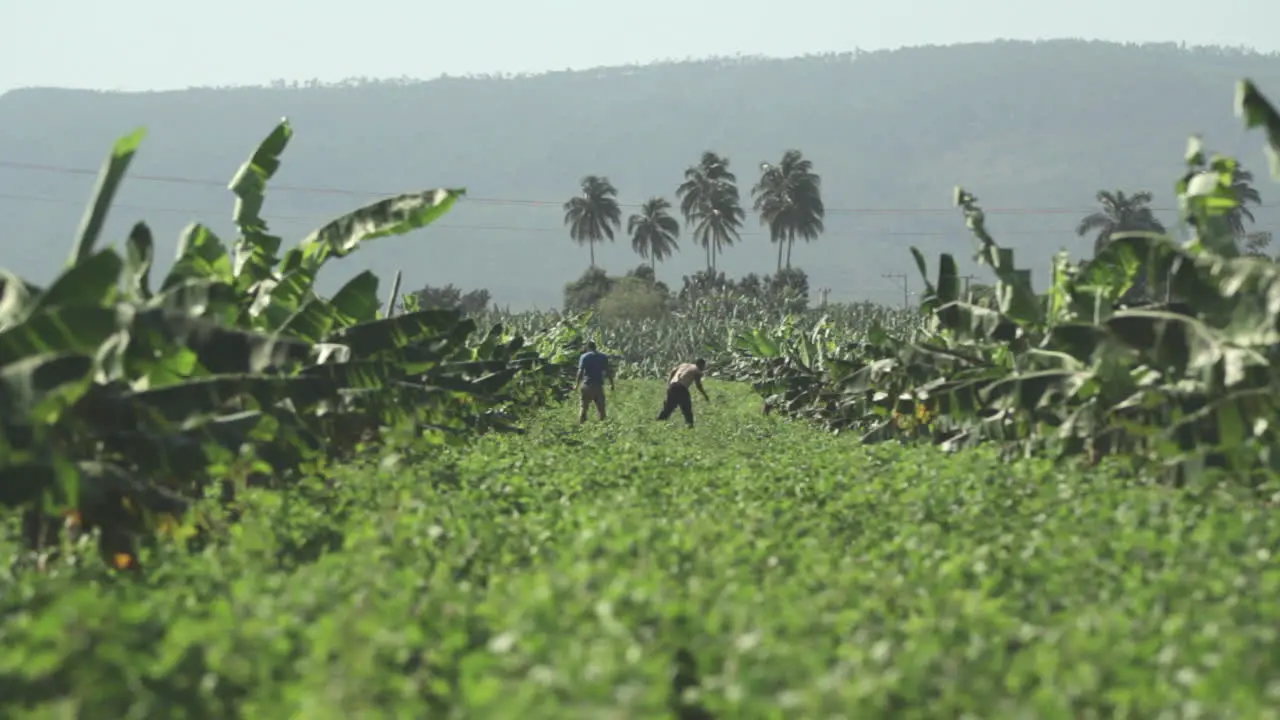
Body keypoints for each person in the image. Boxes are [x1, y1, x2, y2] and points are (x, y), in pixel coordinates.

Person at [656, 358, 710, 428]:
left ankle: (659, 421)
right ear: (700, 365)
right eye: (703, 366)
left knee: (668, 407)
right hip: (681, 388)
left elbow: (673, 371)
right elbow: (698, 385)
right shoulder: (697, 370)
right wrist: (705, 395)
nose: (703, 368)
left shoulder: (684, 365)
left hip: (673, 386)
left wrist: (669, 382)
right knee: (687, 408)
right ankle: (690, 425)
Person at [576, 342, 614, 423]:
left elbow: (580, 371)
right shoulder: (603, 356)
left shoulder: (584, 357)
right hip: (598, 386)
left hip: (587, 385)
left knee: (583, 408)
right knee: (601, 409)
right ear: (595, 347)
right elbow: (608, 371)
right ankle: (603, 427)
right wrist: (612, 384)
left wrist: (577, 385)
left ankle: (581, 427)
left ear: (588, 348)